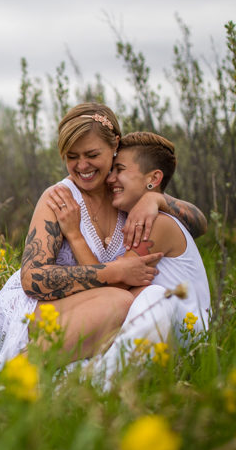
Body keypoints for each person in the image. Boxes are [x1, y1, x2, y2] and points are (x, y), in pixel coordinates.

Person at [0, 103, 207, 370]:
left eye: (91, 154)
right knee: (122, 302)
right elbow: (32, 280)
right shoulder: (61, 198)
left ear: (115, 144)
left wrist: (156, 198)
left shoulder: (125, 195)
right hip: (34, 311)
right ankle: (13, 370)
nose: (82, 166)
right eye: (71, 157)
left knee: (125, 308)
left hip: (99, 314)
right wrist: (114, 271)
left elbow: (198, 223)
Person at [50, 131, 212, 389]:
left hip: (178, 334)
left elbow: (109, 293)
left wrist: (74, 235)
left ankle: (89, 387)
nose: (110, 178)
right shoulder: (141, 219)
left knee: (154, 296)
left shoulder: (155, 224)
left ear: (153, 178)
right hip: (156, 336)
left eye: (120, 169)